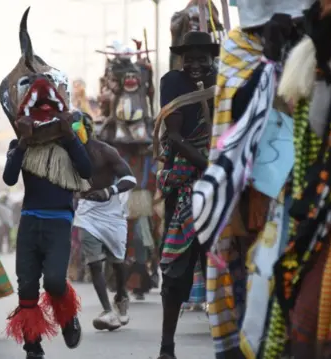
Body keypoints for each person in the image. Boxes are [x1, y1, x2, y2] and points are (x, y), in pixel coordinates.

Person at [2, 112, 92, 358]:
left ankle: (67, 317)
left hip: (59, 223)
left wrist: (71, 136)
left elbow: (86, 170)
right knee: (27, 285)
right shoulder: (21, 142)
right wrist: (22, 143)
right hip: (30, 220)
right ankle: (32, 343)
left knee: (54, 281)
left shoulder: (69, 141)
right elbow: (9, 178)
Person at [155, 31, 218, 359]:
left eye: (201, 58)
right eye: (188, 58)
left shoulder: (223, 81)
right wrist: (207, 165)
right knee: (177, 271)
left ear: (211, 58)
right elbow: (175, 136)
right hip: (187, 182)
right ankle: (167, 346)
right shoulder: (173, 82)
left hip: (222, 181)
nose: (194, 64)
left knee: (227, 263)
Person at [72, 112, 137, 330]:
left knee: (117, 262)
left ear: (86, 129)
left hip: (111, 211)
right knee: (94, 262)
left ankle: (121, 296)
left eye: (75, 129)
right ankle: (107, 310)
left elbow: (130, 179)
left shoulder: (105, 151)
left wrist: (110, 191)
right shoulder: (68, 153)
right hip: (86, 211)